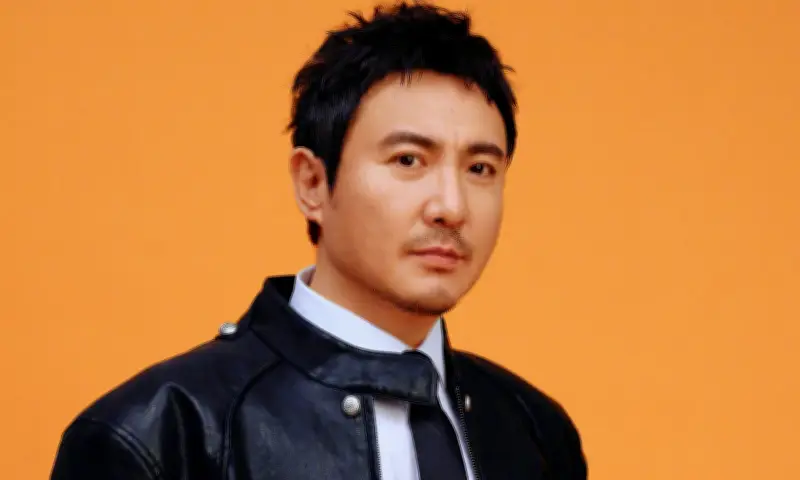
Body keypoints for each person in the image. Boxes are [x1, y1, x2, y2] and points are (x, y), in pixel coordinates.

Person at [50, 2, 587, 479]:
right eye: (408, 160)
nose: (451, 206)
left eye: (480, 168)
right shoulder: (161, 436)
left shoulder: (534, 431)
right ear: (312, 183)